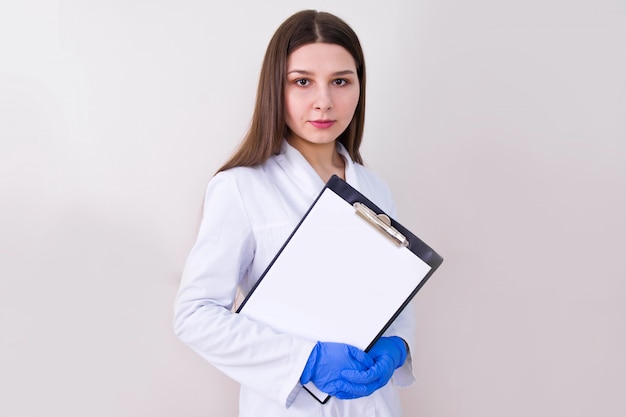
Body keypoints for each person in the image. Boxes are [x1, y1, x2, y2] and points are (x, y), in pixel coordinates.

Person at [173, 10, 416, 416]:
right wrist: (307, 360)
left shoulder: (374, 189)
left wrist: (398, 344)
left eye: (340, 81)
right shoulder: (241, 187)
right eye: (302, 82)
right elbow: (194, 315)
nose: (324, 101)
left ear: (360, 87)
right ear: (276, 89)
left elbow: (392, 300)